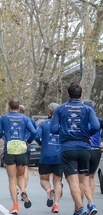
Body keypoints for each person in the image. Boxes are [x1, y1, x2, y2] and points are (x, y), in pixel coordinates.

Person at [50, 83, 100, 215]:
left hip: (67, 148)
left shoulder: (60, 109)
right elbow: (96, 126)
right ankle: (90, 203)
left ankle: (80, 208)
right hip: (84, 148)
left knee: (73, 181)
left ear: (67, 94)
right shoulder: (87, 109)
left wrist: (65, 131)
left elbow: (53, 129)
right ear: (81, 95)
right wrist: (86, 133)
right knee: (84, 179)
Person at [0, 99, 37, 214]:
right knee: (21, 176)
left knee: (12, 179)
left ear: (9, 107)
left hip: (10, 149)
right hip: (22, 150)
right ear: (18, 108)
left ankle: (15, 206)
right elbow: (34, 132)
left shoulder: (3, 118)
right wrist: (28, 142)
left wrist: (3, 135)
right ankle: (23, 191)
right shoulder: (25, 118)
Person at [35, 103, 62, 213]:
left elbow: (36, 136)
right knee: (57, 181)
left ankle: (48, 190)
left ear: (49, 113)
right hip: (59, 156)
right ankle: (55, 205)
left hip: (45, 156)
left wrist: (41, 143)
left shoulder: (43, 124)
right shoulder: (62, 124)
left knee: (43, 179)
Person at [82, 99, 102, 215]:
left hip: (85, 149)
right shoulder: (99, 121)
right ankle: (91, 202)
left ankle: (83, 205)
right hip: (96, 150)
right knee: (91, 178)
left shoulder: (81, 120)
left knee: (82, 178)